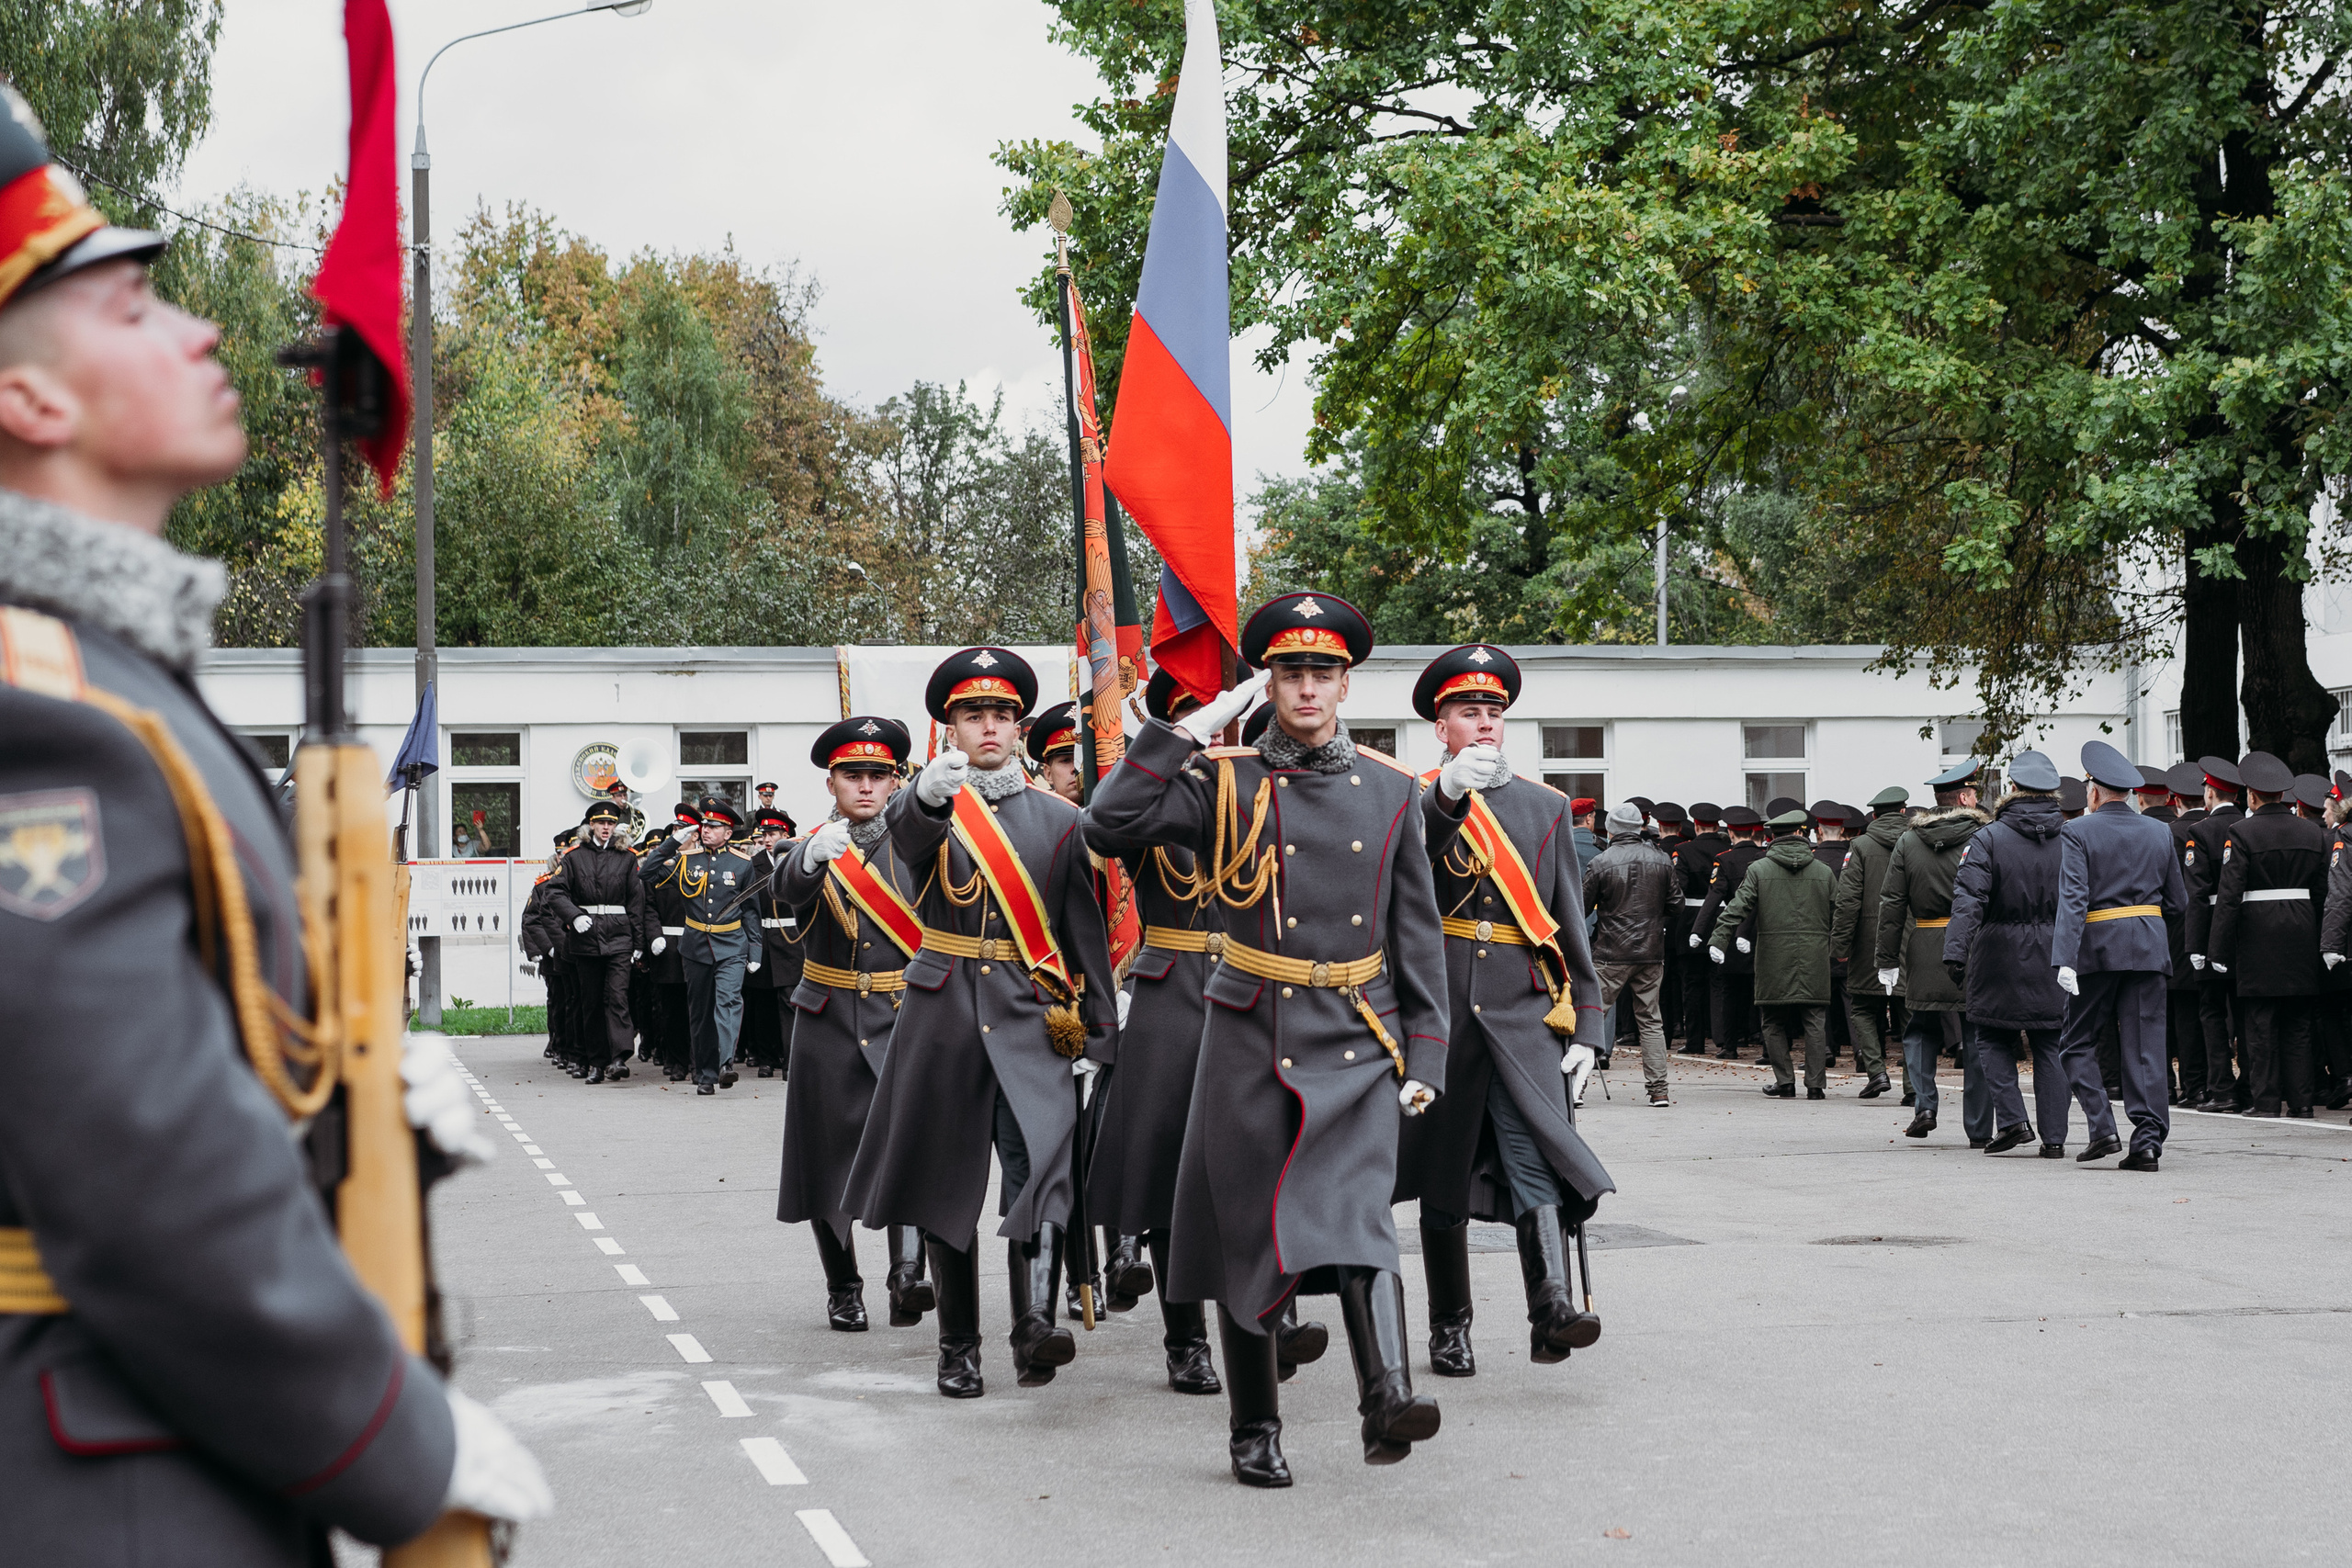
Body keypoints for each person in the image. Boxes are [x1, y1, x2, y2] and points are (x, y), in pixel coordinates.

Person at [0, 95, 547, 1557]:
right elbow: (134, 1175)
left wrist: (330, 1101)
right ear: (31, 401)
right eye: (130, 304)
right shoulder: (40, 709)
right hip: (101, 1489)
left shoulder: (99, 674)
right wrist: (396, 1441)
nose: (195, 332)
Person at [1090, 594, 1452, 1487]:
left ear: (1343, 683)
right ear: (1268, 684)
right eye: (1289, 672)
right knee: (1246, 1237)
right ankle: (1253, 1426)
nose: (1306, 687)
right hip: (1250, 1030)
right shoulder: (1224, 778)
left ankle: (1387, 1396)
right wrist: (1186, 733)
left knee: (1361, 1219)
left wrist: (1428, 1052)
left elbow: (1417, 935)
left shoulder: (1390, 790)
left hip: (1359, 1037)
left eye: (1321, 672)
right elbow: (1109, 823)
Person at [843, 648, 1118, 1398]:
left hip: (1032, 1012)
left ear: (1021, 727)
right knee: (946, 1181)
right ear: (951, 727)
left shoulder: (1061, 819)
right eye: (973, 715)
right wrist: (926, 799)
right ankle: (957, 1346)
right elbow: (902, 845)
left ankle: (1034, 1325)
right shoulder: (926, 805)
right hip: (943, 1007)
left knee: (1044, 1166)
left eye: (1001, 715)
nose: (988, 727)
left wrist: (1101, 1030)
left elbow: (1080, 929)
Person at [1396, 643, 1613, 1382]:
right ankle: (1449, 1326)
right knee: (1442, 1174)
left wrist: (1589, 1024)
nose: (1483, 724)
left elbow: (1567, 923)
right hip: (1442, 1008)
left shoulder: (1545, 805)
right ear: (1441, 726)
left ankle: (1550, 1305)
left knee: (1536, 1160)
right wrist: (1446, 801)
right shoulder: (1412, 798)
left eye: (1493, 712)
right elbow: (1398, 894)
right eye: (1467, 712)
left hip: (1523, 1015)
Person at [1084, 668, 1229, 1396]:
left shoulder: (1263, 791)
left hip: (1253, 989)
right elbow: (1104, 819)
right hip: (1173, 990)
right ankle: (1186, 1339)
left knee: (1261, 1160)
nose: (1215, 741)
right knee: (1174, 1170)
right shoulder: (1155, 806)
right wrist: (1172, 743)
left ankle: (1273, 1312)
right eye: (1199, 724)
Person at [773, 717, 932, 1332]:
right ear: (831, 781)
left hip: (903, 1013)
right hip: (828, 1017)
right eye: (852, 774)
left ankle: (907, 1276)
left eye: (878, 774)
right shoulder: (807, 846)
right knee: (826, 1161)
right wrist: (811, 857)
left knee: (909, 1148)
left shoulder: (921, 843)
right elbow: (788, 886)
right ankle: (843, 1286)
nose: (865, 786)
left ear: (896, 781)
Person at [2052, 741, 2191, 1168]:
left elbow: (2074, 899)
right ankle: (2147, 1141)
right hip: (2148, 946)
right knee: (2147, 1047)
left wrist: (2065, 958)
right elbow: (2179, 902)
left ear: (2093, 791)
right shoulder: (2159, 831)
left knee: (2075, 1043)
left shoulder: (2077, 831)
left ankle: (2103, 1127)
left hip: (2097, 948)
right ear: (2129, 793)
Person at [1942, 751, 2069, 1155]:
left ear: (2011, 790)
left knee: (1992, 1037)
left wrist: (1955, 953)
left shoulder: (1988, 838)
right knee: (2051, 1043)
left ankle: (2013, 1121)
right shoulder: (2071, 836)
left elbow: (1969, 900)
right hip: (2055, 953)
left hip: (1998, 954)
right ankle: (2054, 1139)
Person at [2209, 750, 2329, 1118]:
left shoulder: (2241, 832)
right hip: (2303, 931)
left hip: (2258, 935)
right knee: (2298, 1024)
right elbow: (2324, 893)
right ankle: (2303, 1101)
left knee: (2260, 1025)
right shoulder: (2314, 832)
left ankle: (2265, 1102)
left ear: (2252, 795)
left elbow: (2229, 896)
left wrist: (2218, 948)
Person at [1878, 764, 1990, 1143]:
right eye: (1973, 793)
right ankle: (1978, 1129)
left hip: (1924, 944)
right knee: (1977, 1035)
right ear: (1962, 798)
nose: (1977, 799)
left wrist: (1886, 958)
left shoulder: (1909, 842)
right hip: (1973, 944)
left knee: (1920, 1030)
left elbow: (1892, 903)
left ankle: (1925, 1104)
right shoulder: (1984, 835)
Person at [1709, 809, 1838, 1098]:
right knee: (1815, 1020)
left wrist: (1718, 939)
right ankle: (1816, 1086)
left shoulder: (1759, 870)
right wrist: (1841, 947)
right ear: (1801, 834)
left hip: (1772, 955)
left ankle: (1785, 1081)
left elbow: (1737, 908)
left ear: (1770, 837)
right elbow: (1840, 914)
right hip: (1814, 954)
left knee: (1772, 1020)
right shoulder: (1823, 871)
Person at [547, 797, 647, 1085]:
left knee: (617, 997)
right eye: (602, 823)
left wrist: (638, 942)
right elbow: (555, 892)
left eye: (611, 823)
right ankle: (596, 1063)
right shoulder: (574, 858)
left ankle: (619, 1057)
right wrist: (574, 916)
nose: (606, 827)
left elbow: (635, 901)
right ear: (590, 826)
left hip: (619, 936)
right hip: (586, 937)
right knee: (590, 1002)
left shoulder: (626, 858)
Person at [1587, 800, 1678, 1105]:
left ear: (1610, 829)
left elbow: (1581, 906)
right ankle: (1659, 1091)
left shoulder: (1601, 862)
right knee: (1651, 1019)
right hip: (1651, 951)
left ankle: (1576, 1088)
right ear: (1640, 827)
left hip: (1610, 951)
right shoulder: (1662, 860)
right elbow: (1676, 905)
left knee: (1592, 1016)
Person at [675, 795, 761, 1095]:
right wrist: (673, 843)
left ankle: (725, 1064)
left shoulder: (742, 863)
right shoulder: (687, 859)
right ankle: (705, 1074)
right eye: (705, 824)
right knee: (701, 1012)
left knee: (727, 1001)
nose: (707, 829)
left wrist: (755, 949)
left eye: (714, 826)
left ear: (728, 832)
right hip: (696, 945)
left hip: (732, 946)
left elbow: (751, 909)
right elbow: (649, 874)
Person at [1829, 789, 1906, 1102]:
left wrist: (1840, 945)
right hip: (1910, 935)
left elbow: (1847, 901)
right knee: (1909, 1010)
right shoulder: (1918, 841)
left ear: (1874, 816)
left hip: (1868, 938)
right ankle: (1915, 1085)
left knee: (1862, 1005)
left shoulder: (1859, 846)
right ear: (1904, 812)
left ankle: (1876, 1071)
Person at [2183, 757, 2246, 1110]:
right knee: (2244, 1010)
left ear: (2209, 792)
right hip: (2244, 932)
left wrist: (2195, 944)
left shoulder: (2201, 831)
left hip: (2209, 933)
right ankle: (2250, 1084)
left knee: (2211, 1012)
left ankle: (2221, 1087)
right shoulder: (2246, 826)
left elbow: (2196, 894)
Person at [1695, 807, 1765, 1057]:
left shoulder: (1724, 859)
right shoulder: (1765, 857)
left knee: (1730, 992)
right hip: (1761, 931)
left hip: (1733, 929)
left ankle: (1730, 1045)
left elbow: (1714, 898)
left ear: (1732, 833)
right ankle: (1768, 1047)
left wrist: (1699, 931)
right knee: (1763, 992)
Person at [639, 802, 701, 1081]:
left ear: (696, 835)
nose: (678, 835)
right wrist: (654, 936)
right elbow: (649, 903)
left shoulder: (705, 864)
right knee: (671, 1010)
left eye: (683, 831)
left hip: (698, 945)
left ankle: (697, 1062)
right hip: (669, 946)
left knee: (699, 1010)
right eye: (675, 830)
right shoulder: (664, 867)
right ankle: (676, 1061)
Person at [741, 807, 802, 1079]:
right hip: (763, 939)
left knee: (789, 1003)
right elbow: (749, 908)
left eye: (773, 833)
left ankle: (790, 1060)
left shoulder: (798, 861)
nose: (767, 839)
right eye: (764, 833)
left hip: (792, 941)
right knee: (763, 1004)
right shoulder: (753, 866)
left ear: (785, 834)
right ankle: (766, 1059)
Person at [1674, 804, 1728, 1054]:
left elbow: (1678, 888)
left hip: (1690, 921)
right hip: (1722, 917)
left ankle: (1694, 1041)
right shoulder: (1726, 849)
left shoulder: (1683, 851)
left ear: (1696, 826)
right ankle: (1722, 1039)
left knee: (1692, 985)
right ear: (1717, 826)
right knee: (1720, 983)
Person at [1028, 699, 1084, 803]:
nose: (1075, 769)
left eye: (1083, 759)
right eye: (1065, 760)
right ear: (1048, 773)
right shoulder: (1034, 817)